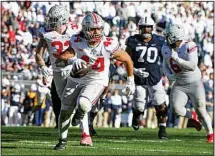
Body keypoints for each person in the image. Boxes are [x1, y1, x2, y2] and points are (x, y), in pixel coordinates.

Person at [54, 12, 135, 150]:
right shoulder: (77, 40)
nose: (96, 32)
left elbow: (127, 58)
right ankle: (62, 140)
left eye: (99, 29)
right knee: (65, 111)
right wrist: (73, 60)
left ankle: (80, 114)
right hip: (76, 79)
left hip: (97, 80)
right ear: (85, 29)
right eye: (93, 29)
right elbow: (61, 58)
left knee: (84, 103)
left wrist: (130, 80)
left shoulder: (108, 43)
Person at [162, 24, 213, 143]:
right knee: (176, 108)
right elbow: (164, 65)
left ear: (174, 37)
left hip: (194, 81)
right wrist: (168, 75)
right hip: (179, 83)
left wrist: (178, 59)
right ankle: (192, 116)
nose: (166, 38)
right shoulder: (165, 48)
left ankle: (210, 133)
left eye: (168, 36)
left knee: (201, 109)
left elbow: (193, 65)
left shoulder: (189, 46)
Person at [125, 16, 168, 139]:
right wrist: (135, 71)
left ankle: (162, 128)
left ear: (152, 28)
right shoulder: (132, 40)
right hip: (139, 79)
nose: (146, 30)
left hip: (155, 77)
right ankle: (137, 115)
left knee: (160, 104)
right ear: (139, 28)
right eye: (143, 27)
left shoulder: (160, 41)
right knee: (139, 105)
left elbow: (166, 57)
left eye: (148, 27)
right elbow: (126, 59)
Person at [35, 5, 79, 101]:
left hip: (73, 68)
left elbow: (85, 49)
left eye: (53, 19)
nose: (51, 22)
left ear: (63, 20)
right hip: (58, 71)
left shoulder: (75, 30)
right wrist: (43, 67)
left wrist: (77, 58)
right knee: (64, 102)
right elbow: (38, 54)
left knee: (76, 100)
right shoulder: (46, 33)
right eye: (50, 19)